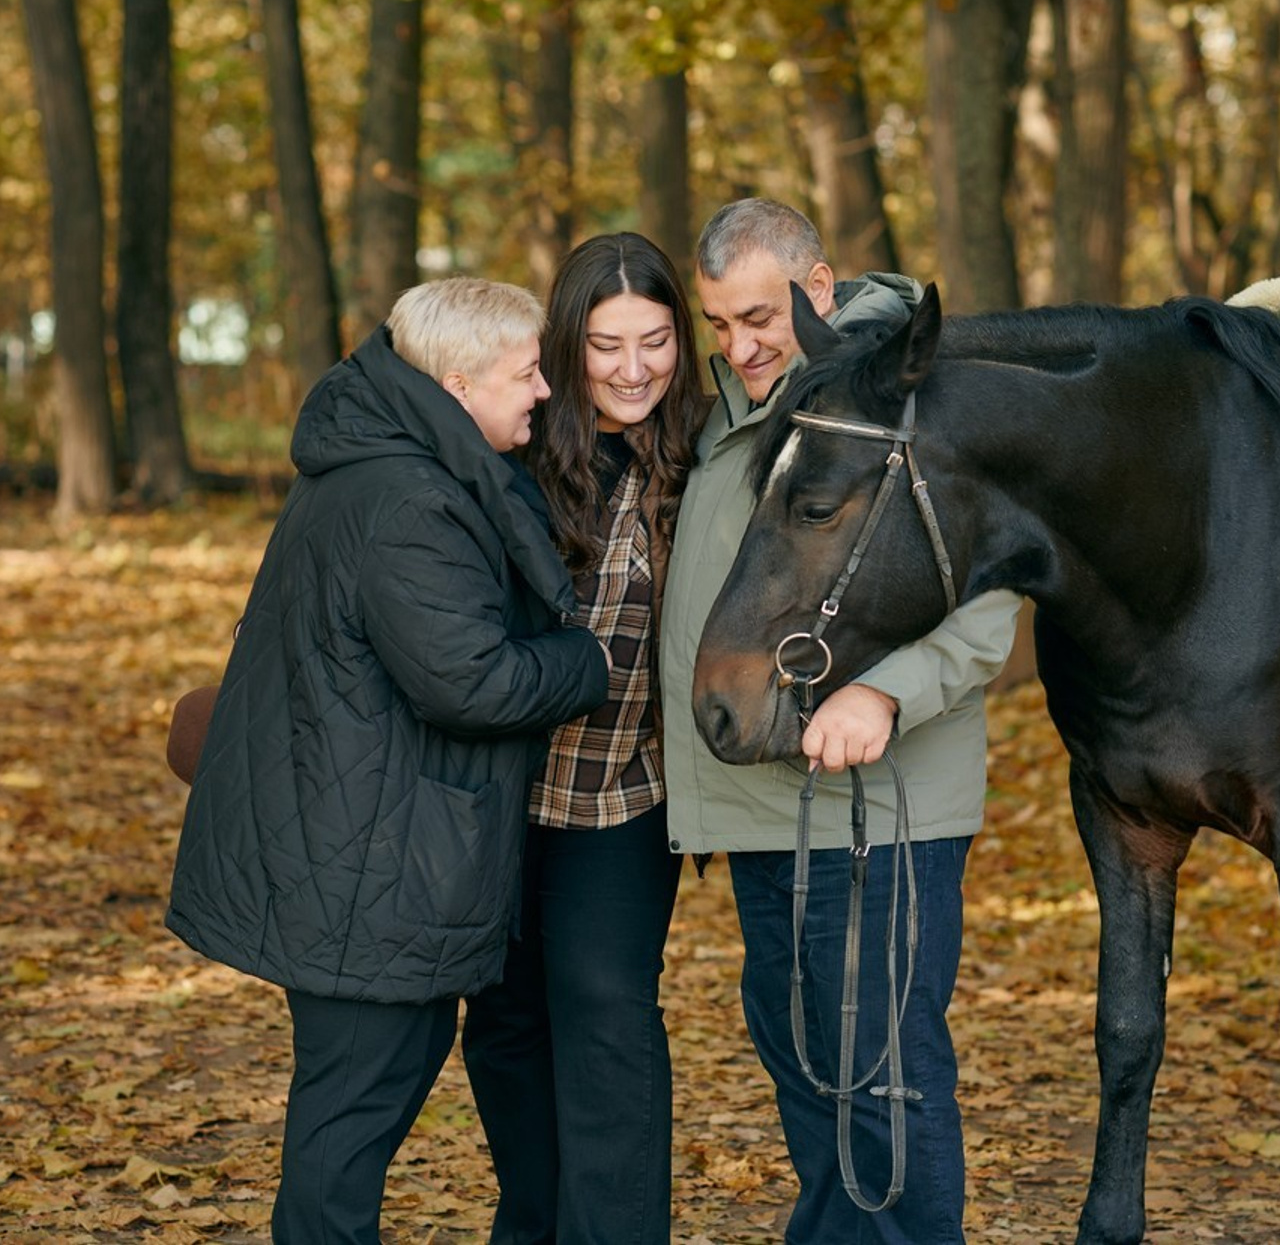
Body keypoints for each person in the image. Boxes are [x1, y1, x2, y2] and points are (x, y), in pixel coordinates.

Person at [165, 277, 612, 1245]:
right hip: (364, 864)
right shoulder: (411, 499)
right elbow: (474, 683)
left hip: (354, 844)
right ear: (456, 384)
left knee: (351, 1105)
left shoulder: (382, 463)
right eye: (525, 372)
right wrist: (588, 658)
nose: (543, 391)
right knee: (349, 1119)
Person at [660, 198, 1022, 1244]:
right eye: (717, 323)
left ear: (819, 286)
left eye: (759, 316)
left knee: (878, 1074)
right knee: (804, 1064)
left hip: (878, 810)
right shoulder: (740, 400)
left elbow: (993, 581)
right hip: (762, 800)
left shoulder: (919, 392)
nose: (738, 345)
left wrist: (886, 690)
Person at [462, 232, 709, 1245]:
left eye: (653, 340)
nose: (633, 368)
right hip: (500, 788)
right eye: (607, 345)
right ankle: (533, 1226)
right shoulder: (513, 449)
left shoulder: (704, 454)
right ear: (568, 347)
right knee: (506, 1028)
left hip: (622, 789)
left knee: (604, 1008)